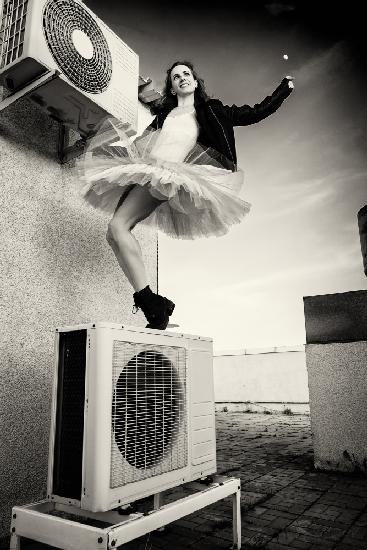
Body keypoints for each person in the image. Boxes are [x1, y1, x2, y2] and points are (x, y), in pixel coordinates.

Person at [75, 60, 294, 330]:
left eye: (186, 74)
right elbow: (144, 141)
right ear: (172, 86)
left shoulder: (212, 110)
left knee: (117, 226)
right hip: (146, 168)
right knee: (114, 233)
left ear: (195, 80)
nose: (182, 78)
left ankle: (152, 305)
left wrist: (283, 90)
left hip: (166, 176)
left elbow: (257, 112)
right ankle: (155, 305)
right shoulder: (165, 113)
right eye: (176, 76)